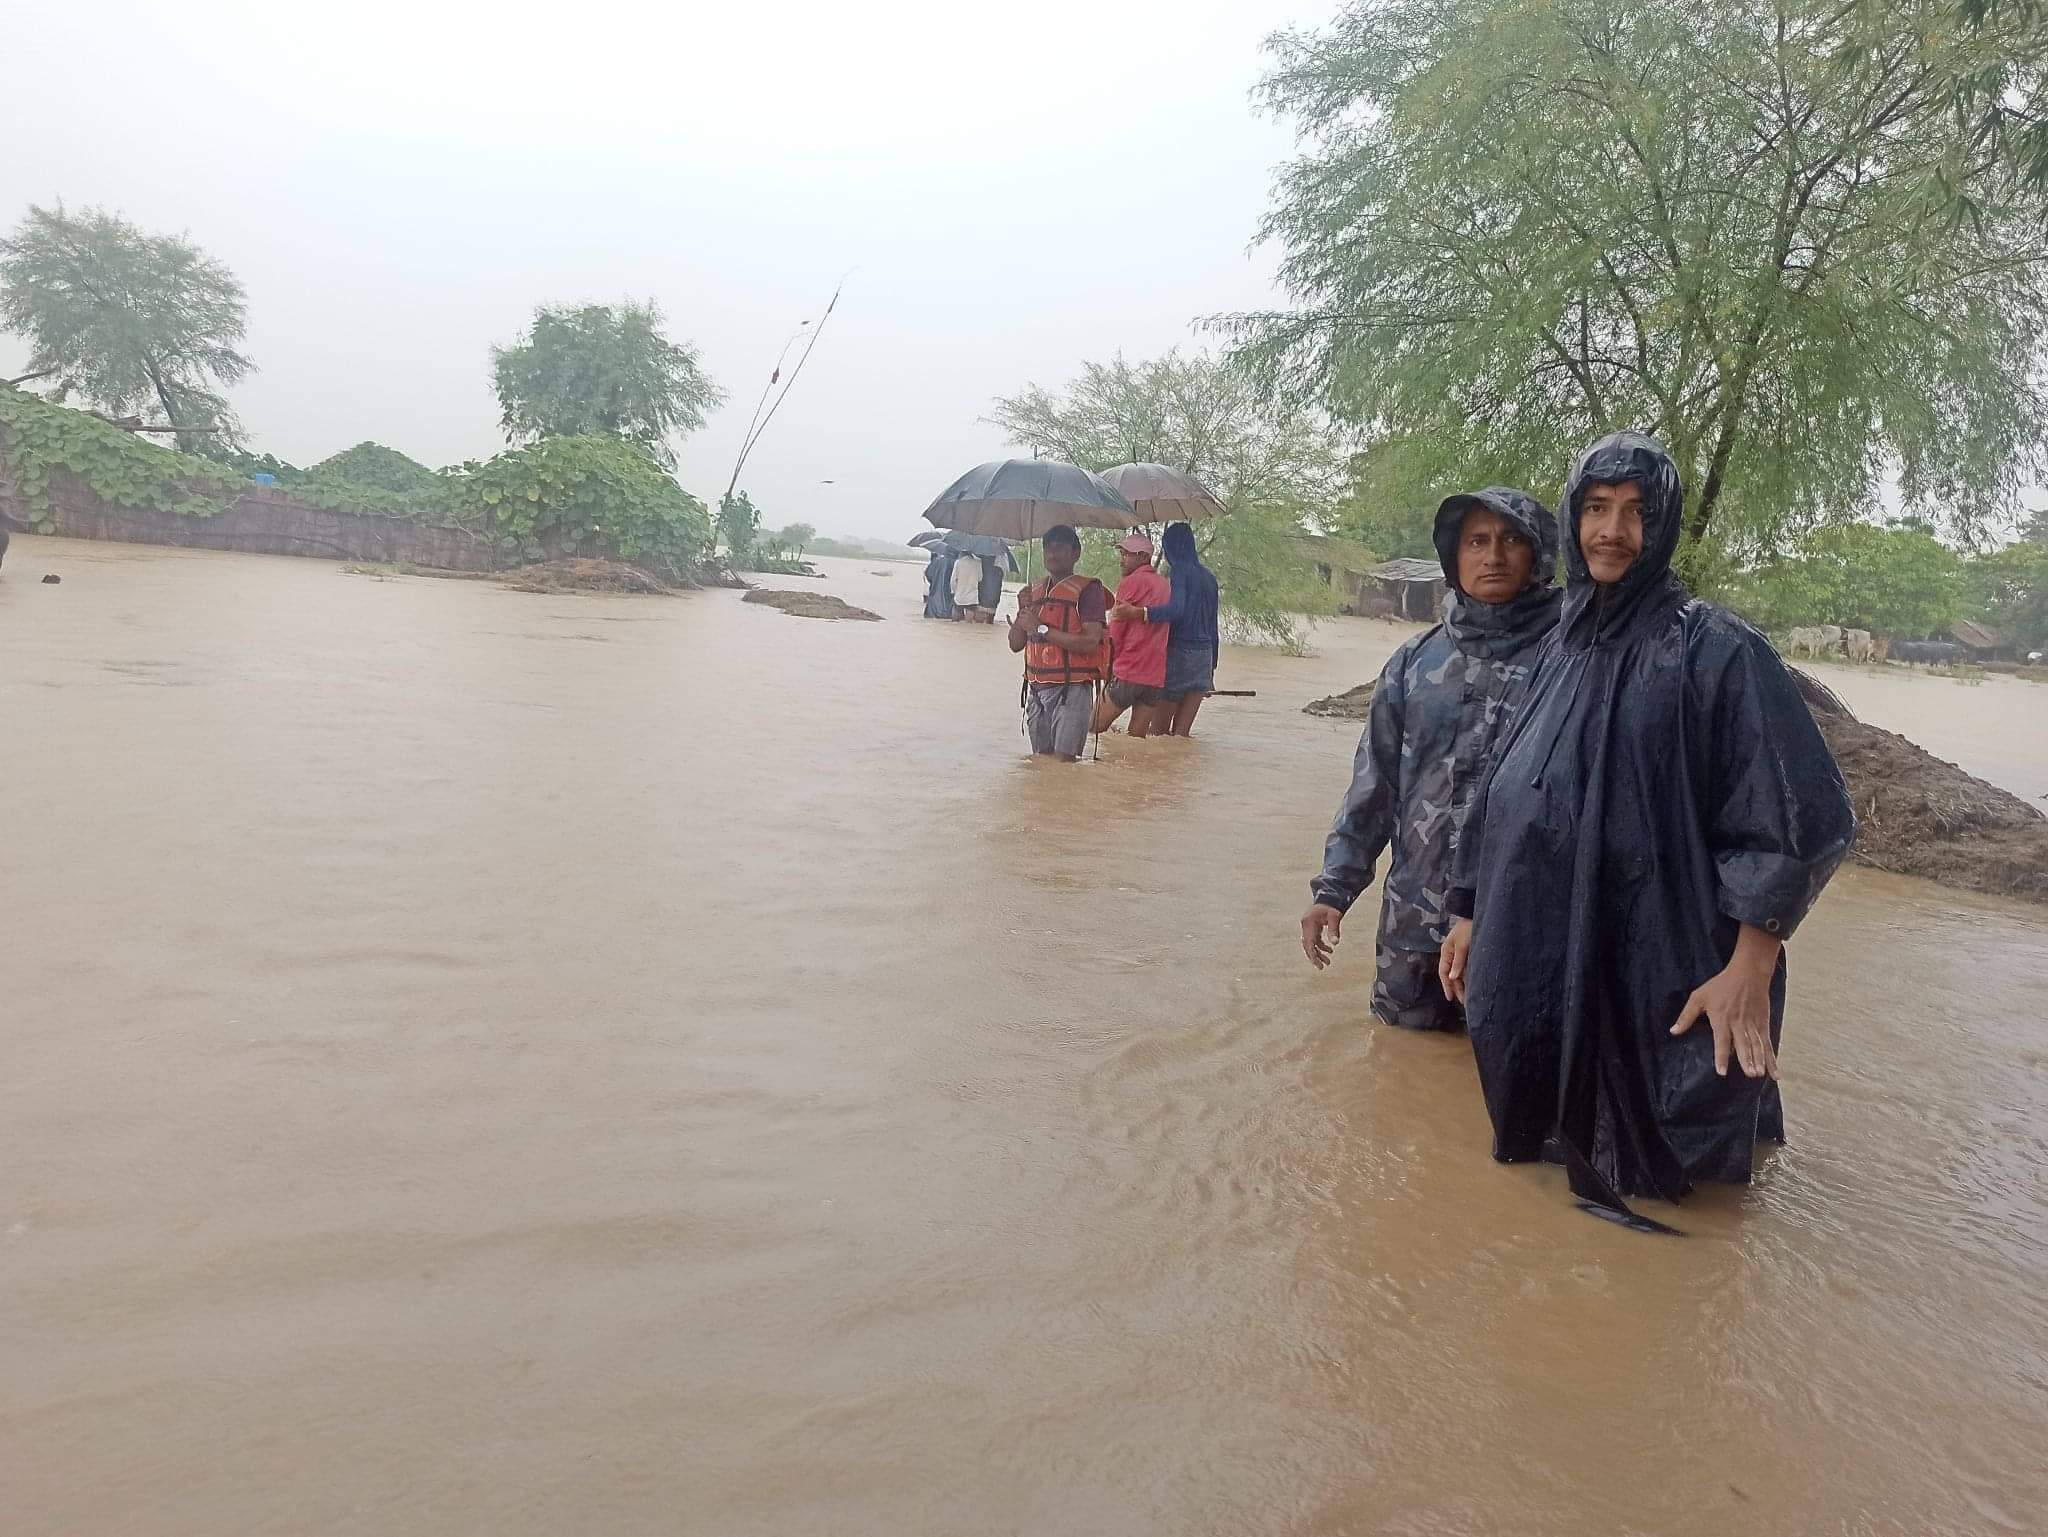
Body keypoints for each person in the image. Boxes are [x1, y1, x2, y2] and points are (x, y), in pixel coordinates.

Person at [1438, 432, 1855, 1227]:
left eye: (1636, 512)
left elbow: (1798, 817)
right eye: (1596, 509)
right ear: (1574, 516)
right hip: (1552, 949)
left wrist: (1751, 968)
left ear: (1661, 526)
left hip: (1667, 963)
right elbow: (1505, 782)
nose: (1612, 532)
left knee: (1687, 1181)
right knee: (1547, 1174)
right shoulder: (1561, 640)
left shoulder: (1716, 648)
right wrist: (1468, 907)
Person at [1300, 487, 1561, 1031]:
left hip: (1526, 934)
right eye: (1477, 541)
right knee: (1402, 1075)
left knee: (1512, 1086)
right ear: (1453, 556)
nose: (1494, 555)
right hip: (1412, 926)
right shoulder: (1413, 665)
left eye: (1512, 540)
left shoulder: (1571, 663)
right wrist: (1333, 890)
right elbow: (1373, 789)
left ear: (1538, 555)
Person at [1008, 524, 1109, 760]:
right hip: (1036, 689)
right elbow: (1015, 644)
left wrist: (1041, 628)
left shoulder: (1089, 591)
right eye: (1048, 548)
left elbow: (1090, 642)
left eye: (1060, 548)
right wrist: (1022, 609)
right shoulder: (1033, 591)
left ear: (1076, 554)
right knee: (1042, 762)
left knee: (1064, 762)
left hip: (1071, 689)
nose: (1052, 554)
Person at [1109, 521, 1217, 737]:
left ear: (1170, 548)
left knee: (1159, 733)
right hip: (1204, 657)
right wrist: (1211, 667)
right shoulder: (1209, 578)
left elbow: (1176, 610)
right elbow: (1213, 626)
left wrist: (1140, 613)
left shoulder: (1180, 571)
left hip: (1179, 654)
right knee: (1181, 736)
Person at [1094, 531, 1172, 737]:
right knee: (1137, 739)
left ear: (1143, 557)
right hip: (1155, 677)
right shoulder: (1166, 586)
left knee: (1091, 728)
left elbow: (1116, 633)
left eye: (1127, 554)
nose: (1122, 560)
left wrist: (1106, 666)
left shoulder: (1130, 583)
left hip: (1128, 671)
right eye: (1122, 553)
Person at [949, 547, 985, 622]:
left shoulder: (958, 562)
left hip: (959, 595)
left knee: (955, 621)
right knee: (968, 622)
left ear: (961, 553)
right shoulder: (978, 562)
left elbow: (953, 580)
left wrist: (954, 591)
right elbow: (980, 578)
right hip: (972, 597)